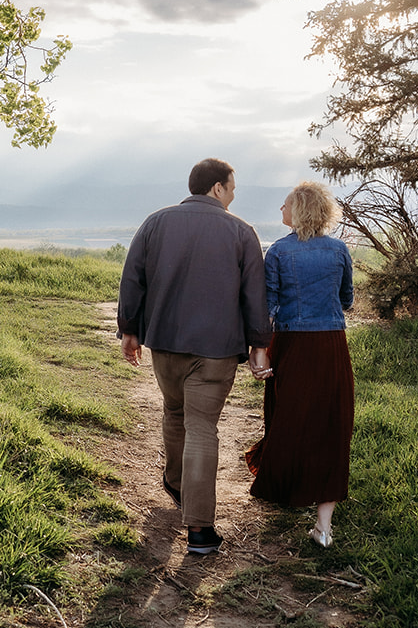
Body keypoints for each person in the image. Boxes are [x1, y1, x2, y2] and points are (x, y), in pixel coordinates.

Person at [117, 158, 272, 556]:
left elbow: (133, 277)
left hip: (165, 342)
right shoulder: (241, 232)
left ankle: (176, 482)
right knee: (202, 427)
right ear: (217, 188)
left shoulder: (155, 223)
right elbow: (255, 296)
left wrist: (129, 331)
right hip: (217, 349)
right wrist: (259, 344)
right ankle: (200, 530)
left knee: (173, 412)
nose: (234, 195)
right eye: (232, 188)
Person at [246, 179, 354, 547]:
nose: (281, 210)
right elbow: (347, 299)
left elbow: (269, 306)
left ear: (300, 210)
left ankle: (285, 488)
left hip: (291, 341)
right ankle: (324, 526)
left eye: (286, 204)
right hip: (330, 344)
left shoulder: (277, 252)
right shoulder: (339, 250)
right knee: (331, 422)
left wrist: (258, 347)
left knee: (289, 415)